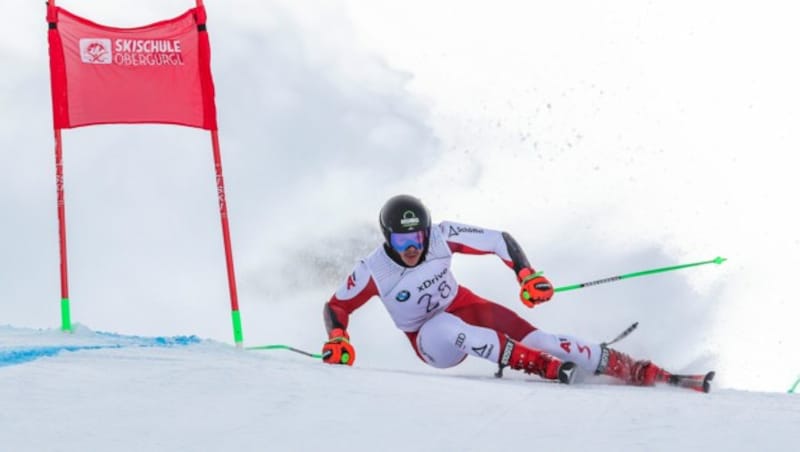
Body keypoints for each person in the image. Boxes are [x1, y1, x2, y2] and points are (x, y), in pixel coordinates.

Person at [321, 194, 672, 386]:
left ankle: (632, 368)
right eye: (401, 240)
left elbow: (498, 240)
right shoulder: (373, 270)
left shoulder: (442, 235)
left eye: (417, 237)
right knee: (443, 327)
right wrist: (339, 338)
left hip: (464, 305)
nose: (412, 247)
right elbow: (337, 306)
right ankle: (541, 367)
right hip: (430, 342)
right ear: (387, 238)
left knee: (542, 338)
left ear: (426, 231)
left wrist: (526, 275)